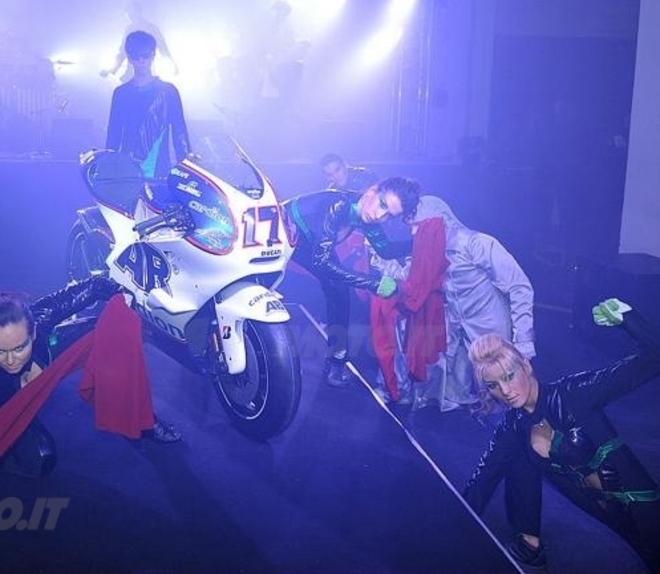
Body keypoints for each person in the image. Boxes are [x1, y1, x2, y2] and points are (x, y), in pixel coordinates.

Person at [0, 275, 180, 482]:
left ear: (33, 333)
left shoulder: (40, 320)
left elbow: (93, 286)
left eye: (19, 348)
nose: (11, 360)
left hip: (46, 359)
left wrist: (120, 294)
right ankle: (1, 453)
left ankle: (142, 419)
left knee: (106, 332)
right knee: (41, 457)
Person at [462, 299, 660, 572]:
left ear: (526, 366)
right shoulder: (512, 427)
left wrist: (628, 318)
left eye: (509, 376)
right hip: (605, 518)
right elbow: (484, 479)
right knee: (516, 454)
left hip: (642, 505)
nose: (505, 391)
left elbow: (653, 359)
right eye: (493, 385)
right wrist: (454, 522)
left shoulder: (574, 393)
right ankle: (529, 543)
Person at [282, 177, 420, 387]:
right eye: (382, 204)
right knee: (335, 285)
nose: (379, 215)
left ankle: (336, 361)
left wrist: (420, 240)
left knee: (338, 289)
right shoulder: (339, 206)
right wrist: (374, 283)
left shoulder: (367, 217)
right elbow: (322, 263)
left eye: (388, 215)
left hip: (309, 242)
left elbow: (386, 250)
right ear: (372, 191)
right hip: (280, 232)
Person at [410, 194, 536, 410]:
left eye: (417, 225)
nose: (413, 232)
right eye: (411, 226)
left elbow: (519, 287)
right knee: (461, 394)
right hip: (459, 333)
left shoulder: (477, 243)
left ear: (439, 221)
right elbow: (412, 278)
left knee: (507, 396)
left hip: (492, 331)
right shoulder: (431, 251)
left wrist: (523, 341)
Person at [104, 30, 192, 182]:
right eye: (135, 56)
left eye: (145, 55)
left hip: (159, 173)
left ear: (153, 55)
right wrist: (110, 169)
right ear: (129, 58)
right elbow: (113, 135)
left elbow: (180, 133)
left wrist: (186, 169)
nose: (141, 60)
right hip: (128, 173)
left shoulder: (168, 92)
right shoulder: (121, 93)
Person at [100, 1, 179, 83]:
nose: (130, 16)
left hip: (146, 73)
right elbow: (123, 52)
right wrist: (111, 70)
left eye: (132, 13)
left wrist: (173, 65)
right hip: (134, 74)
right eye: (129, 14)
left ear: (138, 12)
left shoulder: (150, 28)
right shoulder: (130, 29)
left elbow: (163, 48)